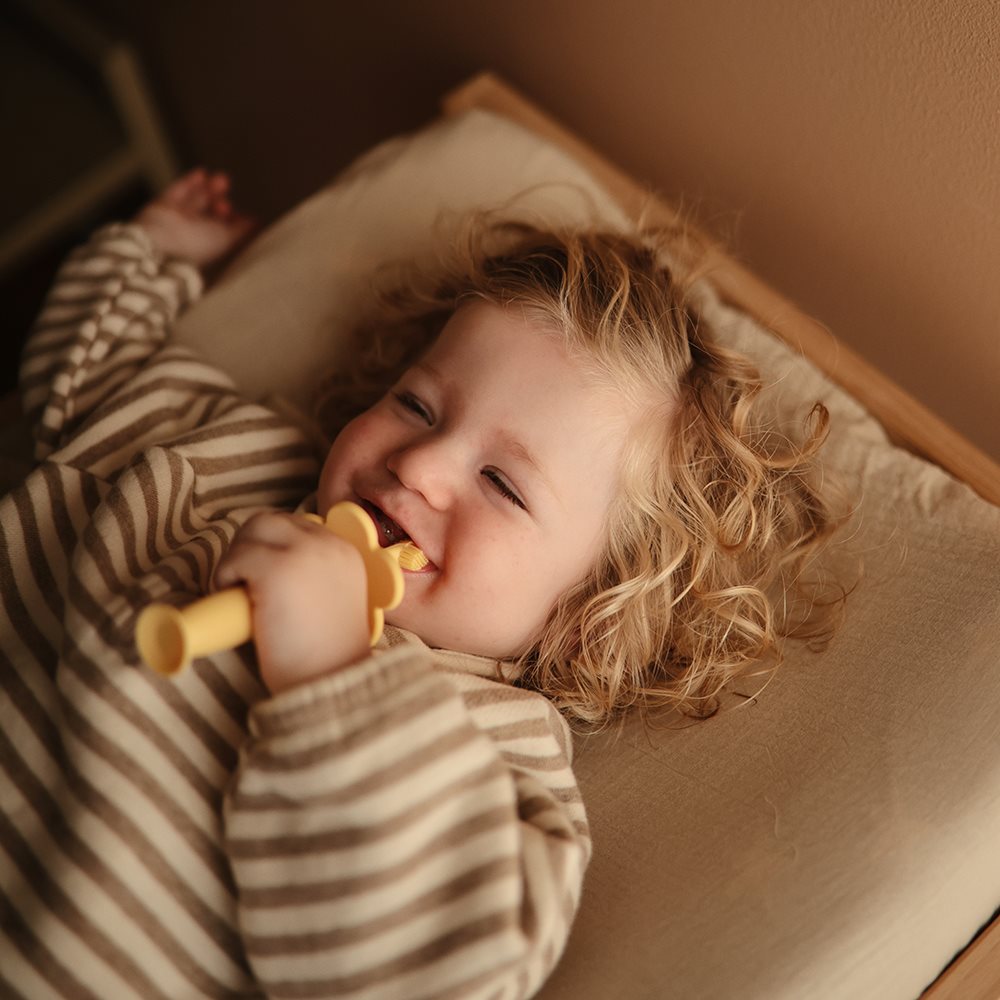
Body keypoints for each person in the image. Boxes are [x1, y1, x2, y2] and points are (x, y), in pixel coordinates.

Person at [0, 169, 840, 998]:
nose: (421, 465)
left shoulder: (499, 750)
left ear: (588, 619)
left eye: (502, 484)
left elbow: (435, 965)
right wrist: (147, 252)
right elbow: (88, 378)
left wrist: (332, 673)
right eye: (417, 406)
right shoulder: (231, 450)